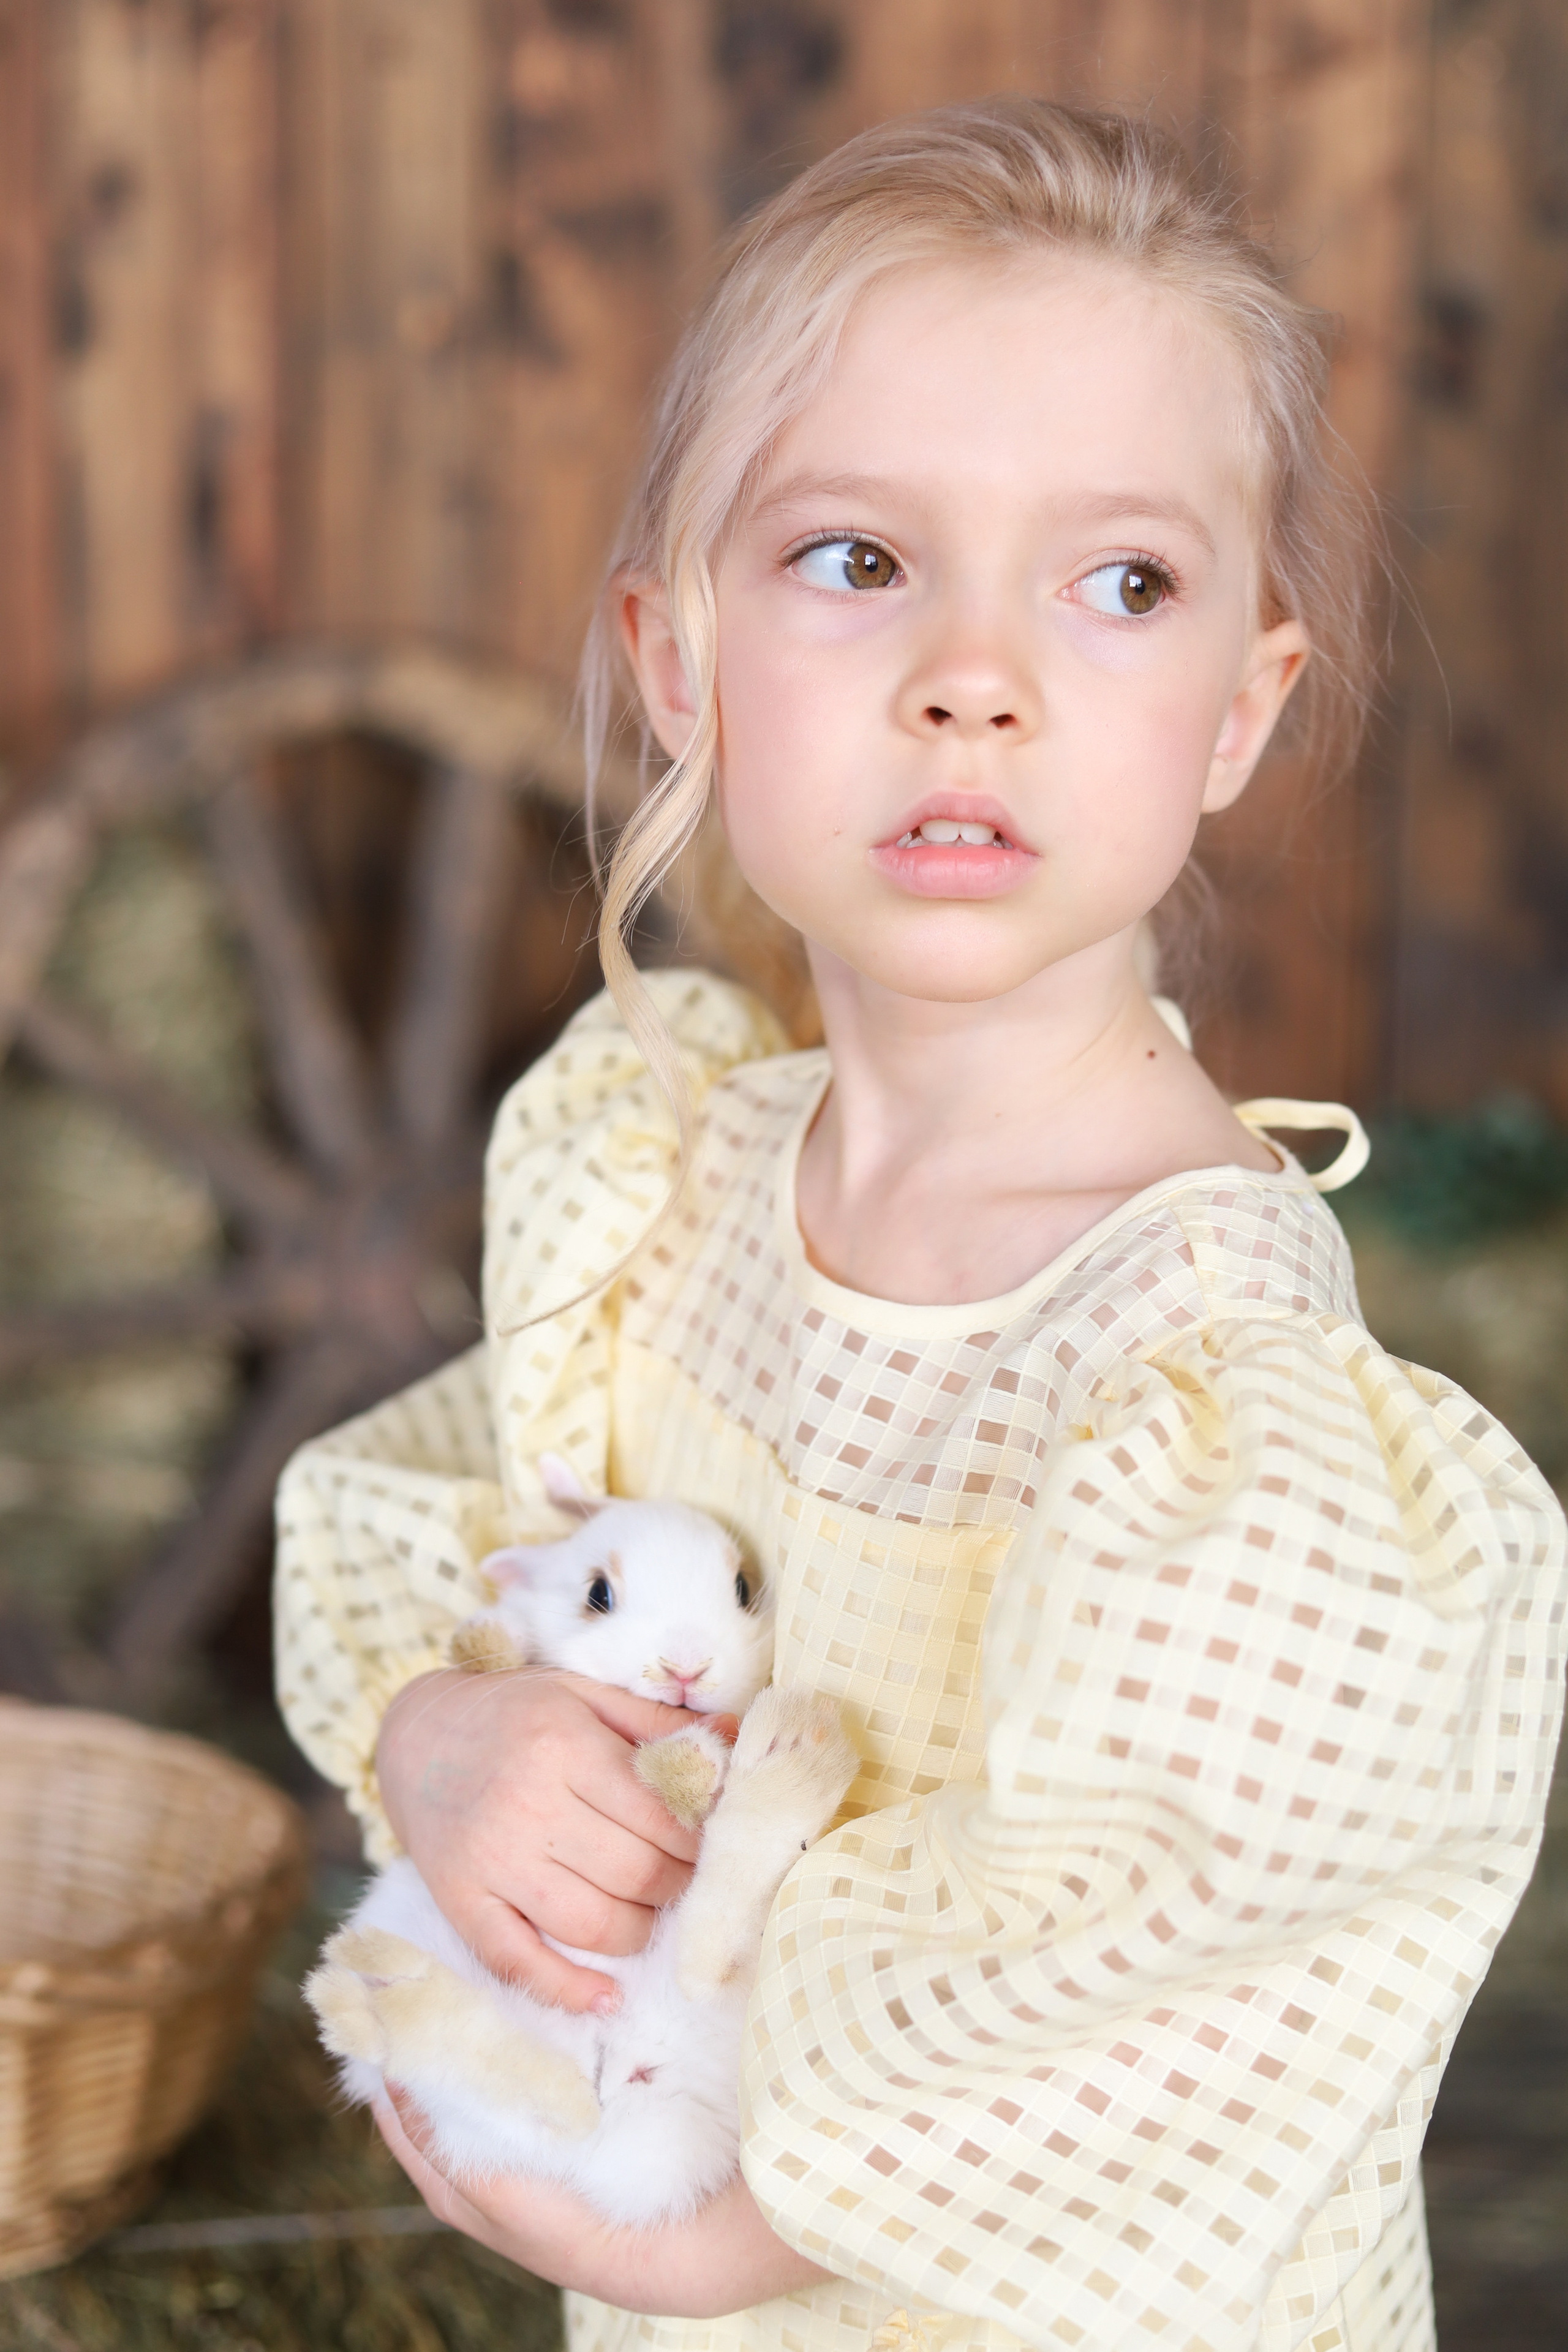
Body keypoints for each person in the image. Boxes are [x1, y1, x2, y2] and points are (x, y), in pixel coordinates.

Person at [274, 98, 1566, 2352]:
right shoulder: (672, 1184)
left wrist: (713, 2245)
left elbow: (1206, 1999)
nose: (977, 674)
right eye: (859, 560)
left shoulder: (1203, 1384)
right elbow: (453, 1522)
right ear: (678, 662)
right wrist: (439, 1735)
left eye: (1120, 582)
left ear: (1239, 713)